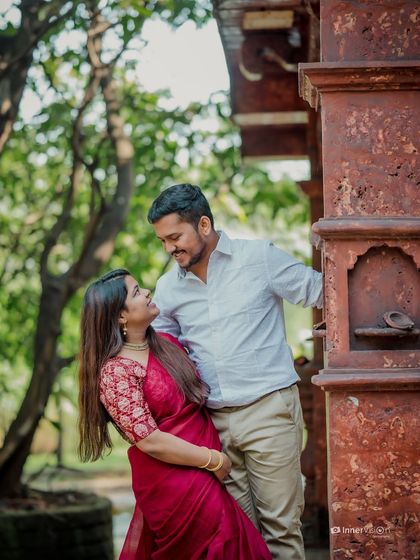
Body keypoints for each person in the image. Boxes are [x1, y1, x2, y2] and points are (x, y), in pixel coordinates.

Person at [147, 184, 323, 560]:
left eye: (175, 237)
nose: (169, 248)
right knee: (238, 536)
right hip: (213, 427)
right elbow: (160, 352)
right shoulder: (167, 289)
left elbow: (321, 292)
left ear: (204, 224)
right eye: (162, 240)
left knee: (281, 529)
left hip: (269, 412)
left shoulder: (258, 258)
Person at [78, 268, 271, 560]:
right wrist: (213, 460)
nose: (146, 293)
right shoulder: (116, 372)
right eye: (136, 292)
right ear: (120, 317)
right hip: (175, 483)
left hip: (210, 468)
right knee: (222, 544)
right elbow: (150, 441)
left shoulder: (167, 344)